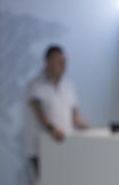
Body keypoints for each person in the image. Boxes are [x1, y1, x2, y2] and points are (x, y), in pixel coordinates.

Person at [27, 45, 89, 176]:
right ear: (48, 62)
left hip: (65, 148)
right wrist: (52, 130)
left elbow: (75, 118)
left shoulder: (69, 86)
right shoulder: (35, 85)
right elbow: (39, 113)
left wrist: (91, 130)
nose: (63, 65)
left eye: (65, 61)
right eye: (59, 61)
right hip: (42, 150)